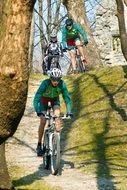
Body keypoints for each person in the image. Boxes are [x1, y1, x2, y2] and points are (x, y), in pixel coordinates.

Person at [33, 68, 73, 156]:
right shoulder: (45, 83)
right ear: (50, 78)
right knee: (43, 121)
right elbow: (37, 97)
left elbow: (66, 98)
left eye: (58, 79)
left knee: (57, 116)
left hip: (55, 100)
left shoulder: (62, 84)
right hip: (43, 101)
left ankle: (56, 144)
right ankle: (39, 144)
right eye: (54, 79)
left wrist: (69, 111)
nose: (56, 82)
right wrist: (38, 110)